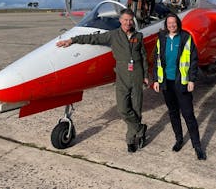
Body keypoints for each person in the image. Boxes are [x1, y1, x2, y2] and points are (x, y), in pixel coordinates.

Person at [56, 8, 149, 153]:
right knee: (123, 109)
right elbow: (92, 38)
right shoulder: (113, 36)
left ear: (133, 21)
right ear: (120, 21)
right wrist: (72, 40)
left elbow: (143, 56)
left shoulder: (139, 36)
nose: (128, 22)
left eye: (130, 20)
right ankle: (140, 128)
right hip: (122, 77)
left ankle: (131, 140)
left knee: (136, 109)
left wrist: (145, 75)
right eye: (125, 20)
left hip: (137, 76)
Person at [153, 13, 206, 160]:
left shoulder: (185, 37)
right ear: (166, 25)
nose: (171, 25)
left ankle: (197, 146)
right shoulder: (161, 38)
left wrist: (191, 79)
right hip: (166, 83)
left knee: (188, 115)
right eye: (169, 23)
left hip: (181, 82)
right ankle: (179, 139)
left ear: (178, 23)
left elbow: (193, 60)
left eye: (174, 23)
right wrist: (156, 80)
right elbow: (157, 59)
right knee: (173, 113)